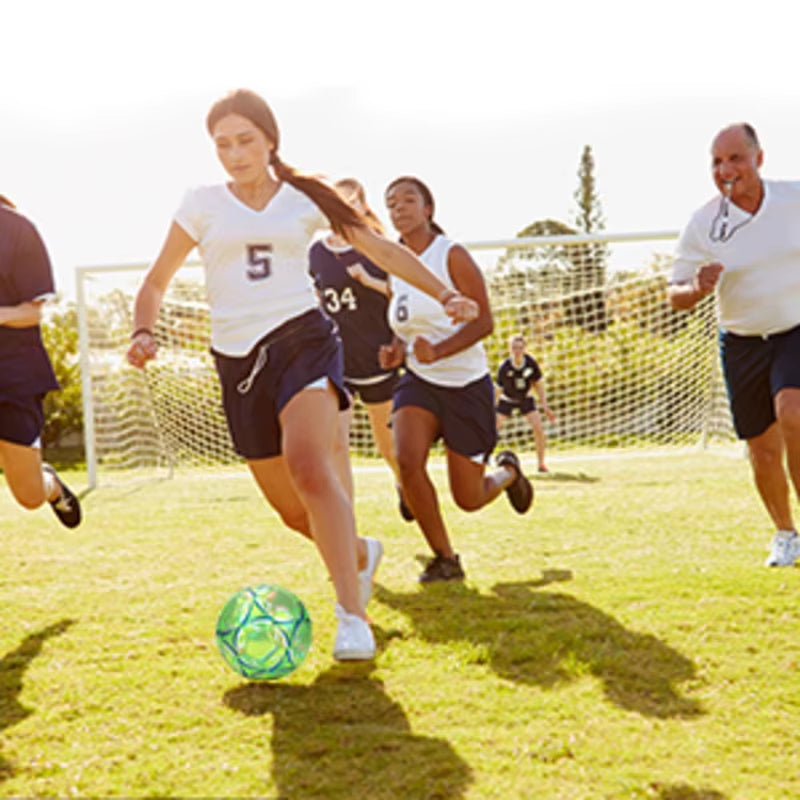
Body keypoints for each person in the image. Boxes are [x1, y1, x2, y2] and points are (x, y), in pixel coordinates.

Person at [125, 89, 478, 661]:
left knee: (312, 469)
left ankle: (351, 618)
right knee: (293, 510)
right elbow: (155, 283)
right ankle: (358, 552)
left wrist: (444, 292)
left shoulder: (305, 198)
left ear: (270, 140)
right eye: (223, 144)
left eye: (245, 140)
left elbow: (383, 252)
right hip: (237, 361)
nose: (235, 154)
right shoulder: (201, 202)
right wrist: (144, 331)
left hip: (302, 342)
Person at [379, 176, 534, 583]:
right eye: (391, 203)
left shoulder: (452, 255)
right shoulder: (395, 264)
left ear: (428, 209)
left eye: (408, 200)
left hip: (466, 385)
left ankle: (508, 472)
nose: (399, 207)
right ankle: (445, 559)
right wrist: (396, 347)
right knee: (408, 461)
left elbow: (484, 321)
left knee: (468, 498)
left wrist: (441, 350)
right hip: (419, 381)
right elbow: (405, 322)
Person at [668, 122, 800, 567]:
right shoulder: (703, 223)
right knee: (762, 450)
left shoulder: (793, 198)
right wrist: (697, 290)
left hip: (794, 331)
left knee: (793, 413)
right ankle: (786, 534)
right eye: (717, 162)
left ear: (759, 160)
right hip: (742, 341)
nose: (726, 169)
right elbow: (675, 295)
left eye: (735, 159)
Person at [307, 178, 413, 522]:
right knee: (336, 442)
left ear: (362, 205)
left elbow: (399, 295)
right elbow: (318, 298)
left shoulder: (375, 246)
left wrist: (369, 282)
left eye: (352, 201)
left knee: (388, 445)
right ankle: (344, 523)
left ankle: (403, 485)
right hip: (334, 357)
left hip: (375, 355)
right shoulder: (317, 252)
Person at [0, 194, 82, 529]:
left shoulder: (17, 229)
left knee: (29, 495)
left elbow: (31, 314)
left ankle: (49, 485)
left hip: (12, 375)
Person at [495, 334, 556, 473]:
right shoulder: (504, 367)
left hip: (525, 399)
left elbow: (538, 385)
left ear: (525, 349)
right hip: (507, 399)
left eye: (520, 348)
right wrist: (492, 408)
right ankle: (484, 459)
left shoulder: (530, 364)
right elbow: (498, 391)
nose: (517, 351)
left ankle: (541, 464)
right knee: (492, 429)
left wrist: (545, 406)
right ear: (509, 349)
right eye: (514, 348)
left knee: (538, 429)